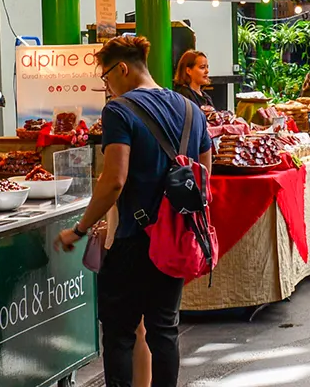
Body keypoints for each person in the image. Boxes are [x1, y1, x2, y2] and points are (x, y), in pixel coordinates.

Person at [57, 36, 212, 387]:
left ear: (122, 69)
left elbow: (114, 180)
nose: (107, 86)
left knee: (120, 334)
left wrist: (80, 229)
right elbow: (204, 183)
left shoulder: (119, 111)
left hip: (133, 240)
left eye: (106, 77)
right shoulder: (192, 110)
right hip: (175, 239)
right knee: (164, 329)